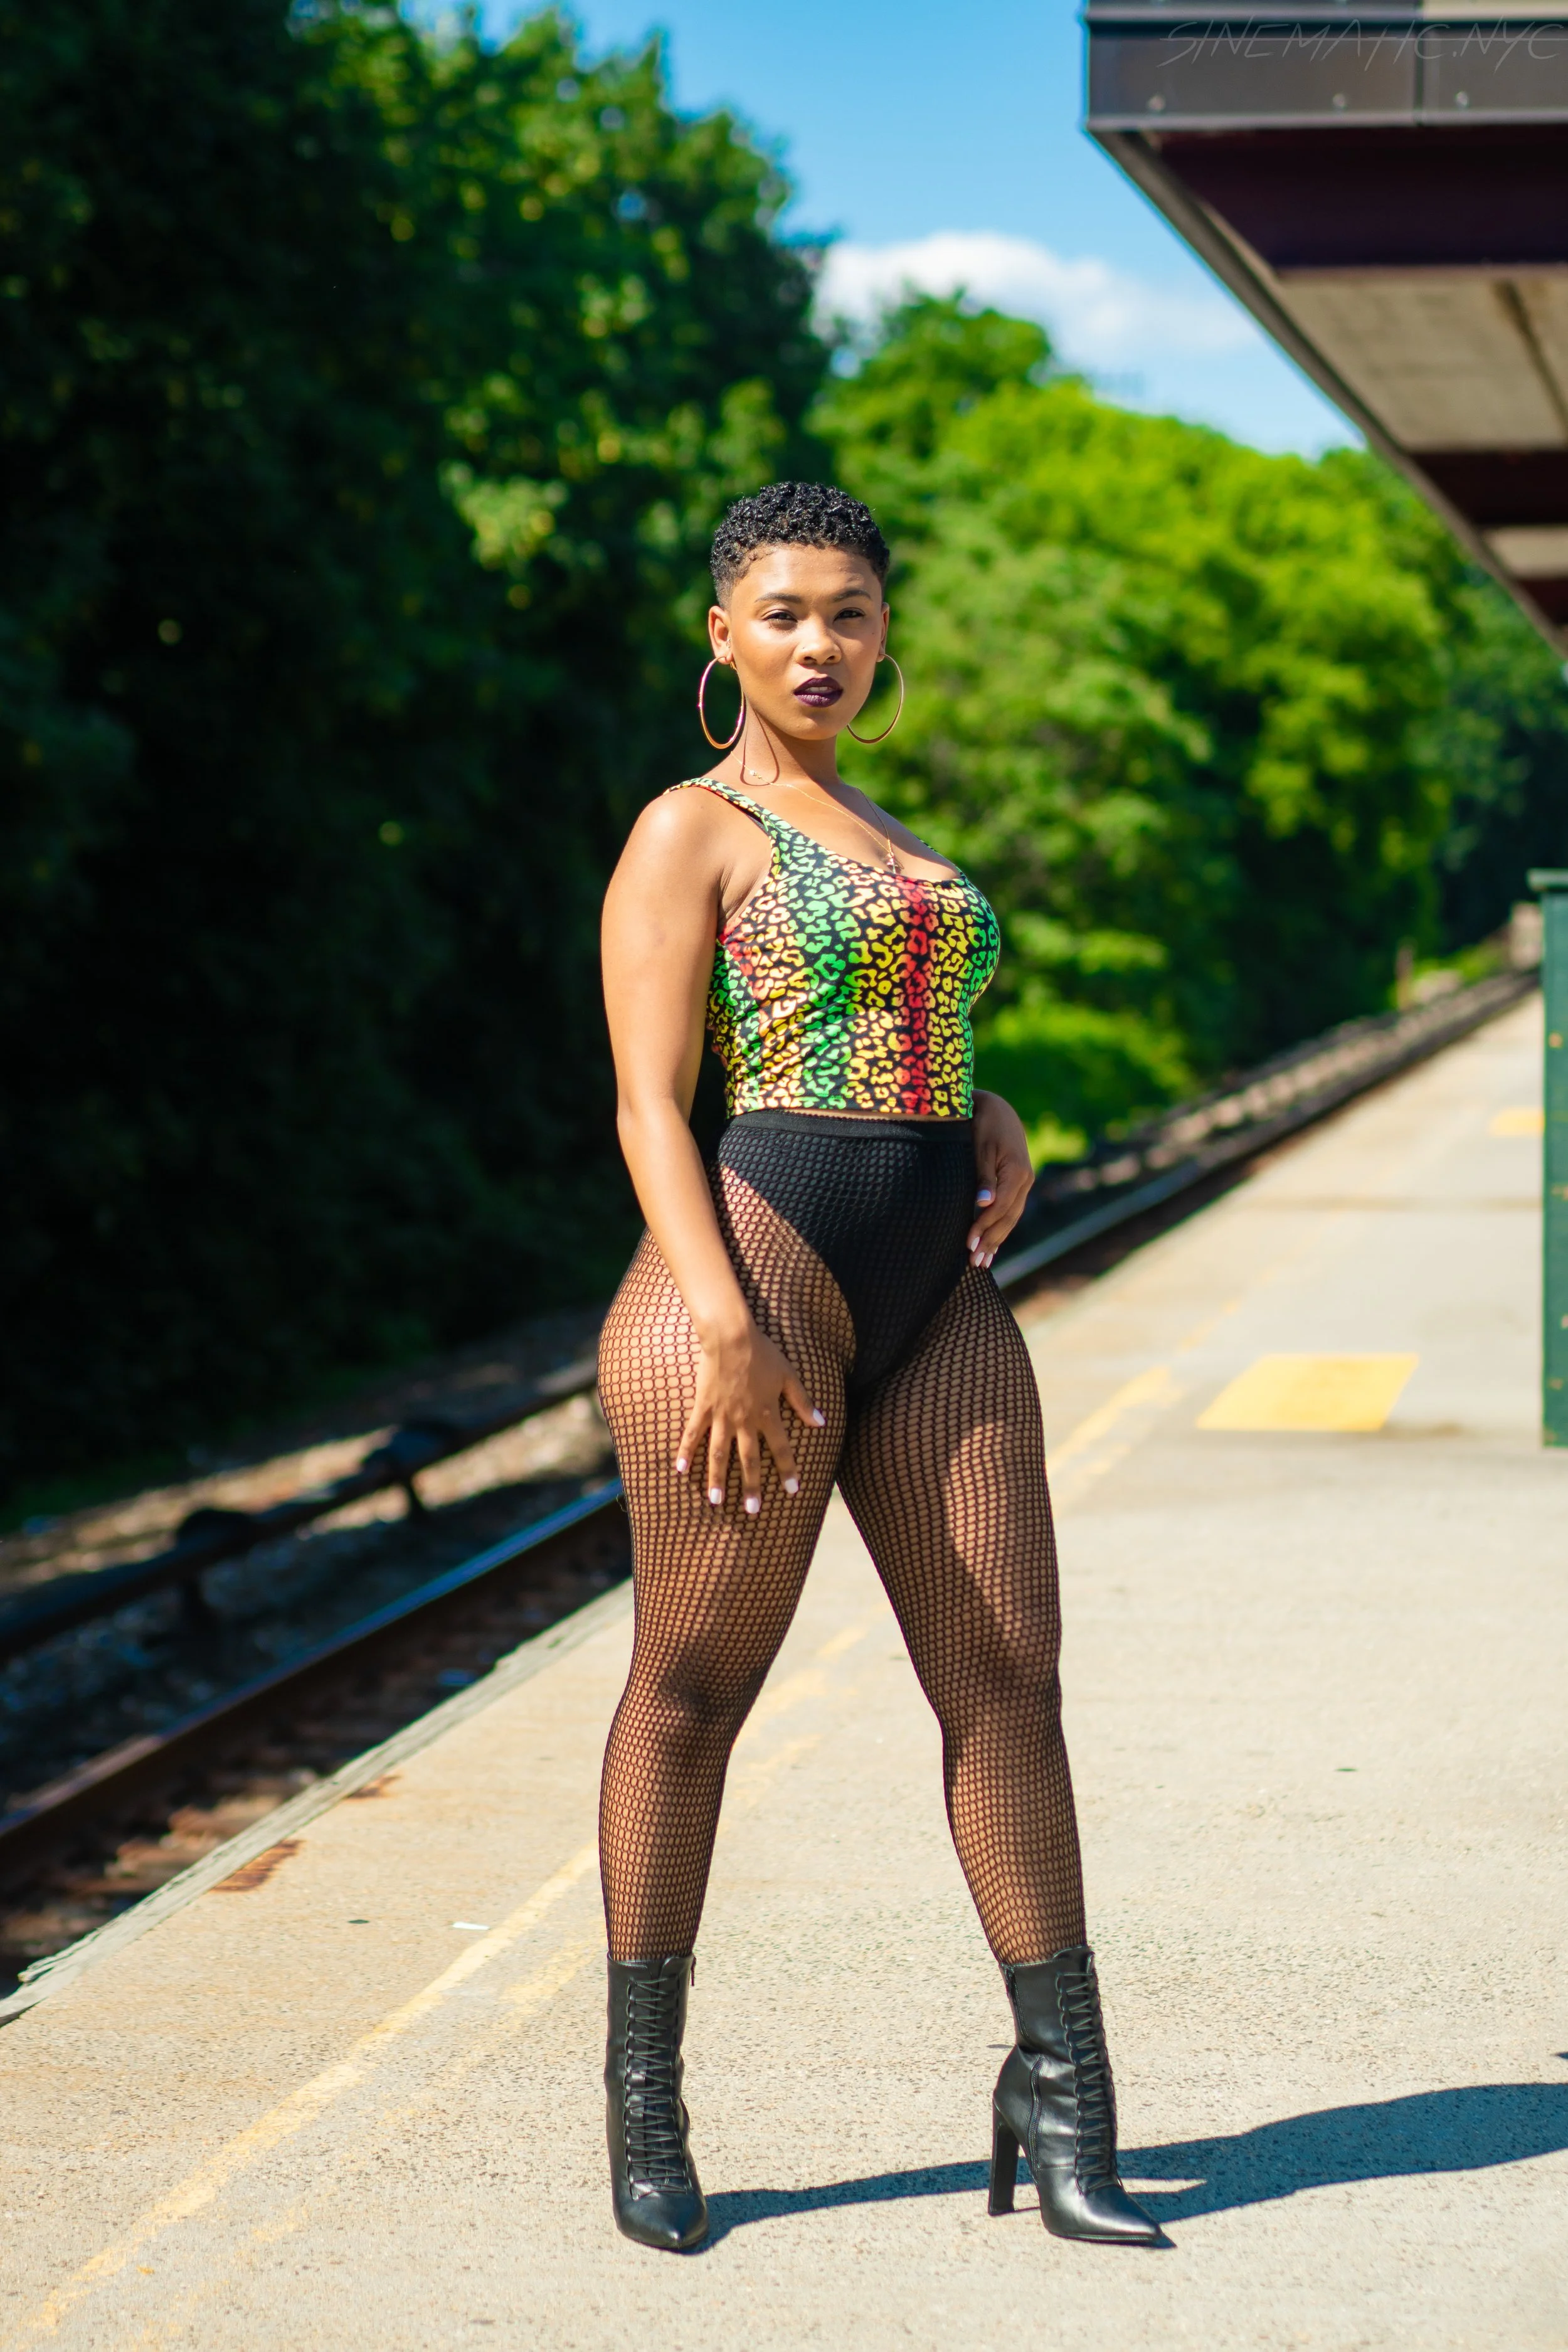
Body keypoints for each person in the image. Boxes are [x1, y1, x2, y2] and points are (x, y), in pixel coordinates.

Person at [595, 480, 1158, 2254]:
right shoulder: (690, 827)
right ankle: (645, 2109)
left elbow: (902, 1029)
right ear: (724, 638)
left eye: (847, 611)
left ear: (883, 629)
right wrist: (726, 1327)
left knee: (1009, 1684)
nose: (818, 643)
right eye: (781, 614)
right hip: (754, 1277)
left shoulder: (897, 835)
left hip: (936, 1293)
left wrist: (989, 1106)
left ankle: (1065, 2105)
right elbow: (651, 1102)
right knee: (695, 1687)